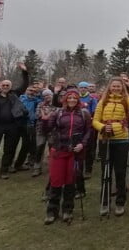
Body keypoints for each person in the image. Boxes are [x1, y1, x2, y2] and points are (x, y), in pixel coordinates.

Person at [92, 77, 129, 217]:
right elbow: (95, 121)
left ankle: (120, 202)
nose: (115, 88)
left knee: (120, 172)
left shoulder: (126, 100)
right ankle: (105, 201)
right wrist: (103, 127)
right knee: (106, 172)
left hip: (122, 140)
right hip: (105, 139)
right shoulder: (102, 102)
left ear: (122, 88)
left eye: (118, 86)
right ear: (110, 87)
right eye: (113, 86)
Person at [40, 89, 91, 224]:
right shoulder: (58, 113)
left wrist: (82, 144)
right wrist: (44, 120)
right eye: (69, 98)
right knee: (56, 181)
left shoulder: (84, 113)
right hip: (59, 150)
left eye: (75, 98)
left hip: (75, 152)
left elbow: (88, 131)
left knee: (70, 182)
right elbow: (47, 130)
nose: (72, 100)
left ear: (78, 100)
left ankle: (67, 210)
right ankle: (52, 211)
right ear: (65, 99)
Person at [0, 63, 29, 182]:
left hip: (12, 126)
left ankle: (4, 171)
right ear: (0, 86)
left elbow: (24, 85)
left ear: (10, 87)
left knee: (8, 150)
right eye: (3, 85)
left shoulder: (14, 95)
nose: (5, 86)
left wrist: (24, 72)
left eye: (7, 85)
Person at [16, 86, 41, 172]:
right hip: (18, 124)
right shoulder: (20, 99)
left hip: (30, 125)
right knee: (13, 144)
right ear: (26, 91)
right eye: (30, 90)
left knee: (27, 144)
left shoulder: (36, 101)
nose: (31, 92)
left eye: (34, 91)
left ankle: (20, 163)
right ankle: (9, 164)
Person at [33, 89, 57, 176]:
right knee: (39, 148)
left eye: (49, 95)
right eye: (45, 95)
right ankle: (37, 168)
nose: (47, 97)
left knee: (52, 149)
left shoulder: (55, 105)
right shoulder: (40, 104)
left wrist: (48, 115)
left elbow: (57, 115)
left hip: (52, 131)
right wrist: (45, 115)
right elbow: (37, 115)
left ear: (52, 95)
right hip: (41, 130)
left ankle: (52, 167)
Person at [77, 82, 98, 180]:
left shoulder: (91, 99)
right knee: (78, 147)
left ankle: (88, 169)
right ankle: (78, 168)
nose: (83, 89)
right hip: (78, 126)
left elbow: (94, 112)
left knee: (89, 148)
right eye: (81, 87)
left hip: (89, 126)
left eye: (85, 88)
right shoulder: (76, 97)